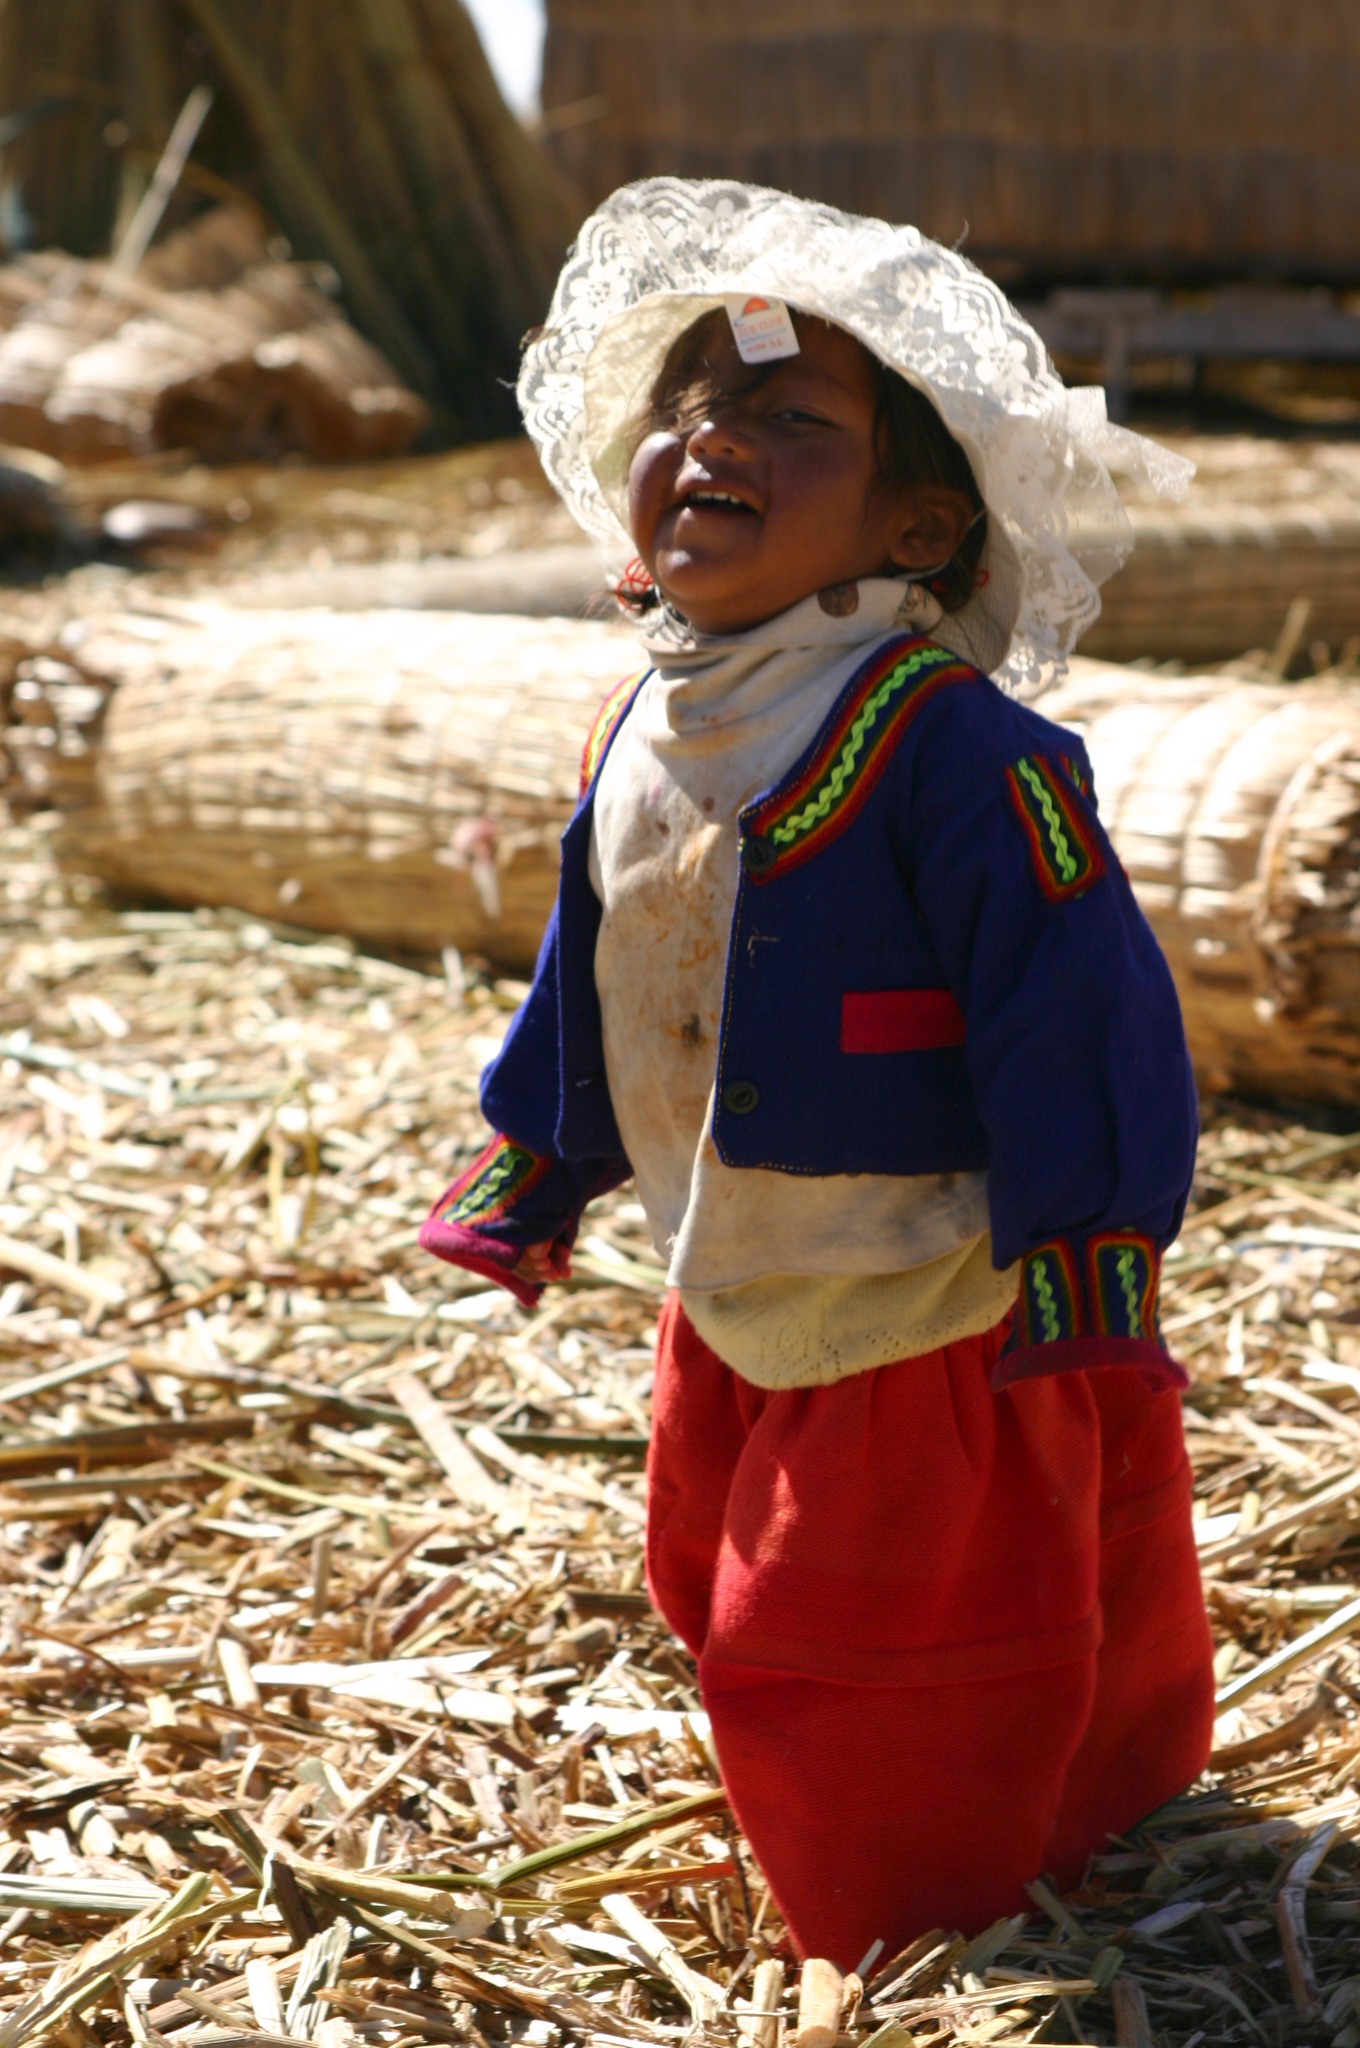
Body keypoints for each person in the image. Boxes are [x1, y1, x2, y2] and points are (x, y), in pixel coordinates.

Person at [420, 179, 1215, 1968]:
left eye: (791, 417)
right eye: (688, 405)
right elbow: (602, 956)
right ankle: (1028, 1798)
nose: (713, 433)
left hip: (916, 1287)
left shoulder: (953, 751)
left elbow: (1078, 1003)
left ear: (920, 524)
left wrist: (1095, 1244)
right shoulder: (644, 718)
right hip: (737, 1265)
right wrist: (538, 1160)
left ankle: (907, 1911)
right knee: (713, 1576)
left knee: (871, 1642)